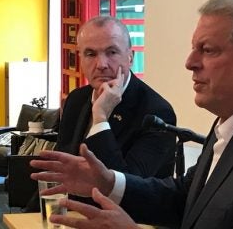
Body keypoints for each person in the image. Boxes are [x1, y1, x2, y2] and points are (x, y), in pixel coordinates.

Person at [31, 0, 233, 229]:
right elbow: (186, 199)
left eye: (207, 50)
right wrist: (109, 182)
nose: (190, 62)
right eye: (195, 48)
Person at [25, 15, 177, 211]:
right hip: (73, 214)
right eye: (90, 54)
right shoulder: (76, 100)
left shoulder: (156, 112)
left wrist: (100, 119)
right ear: (80, 59)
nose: (101, 64)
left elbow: (128, 189)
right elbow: (62, 169)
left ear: (131, 57)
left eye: (111, 52)